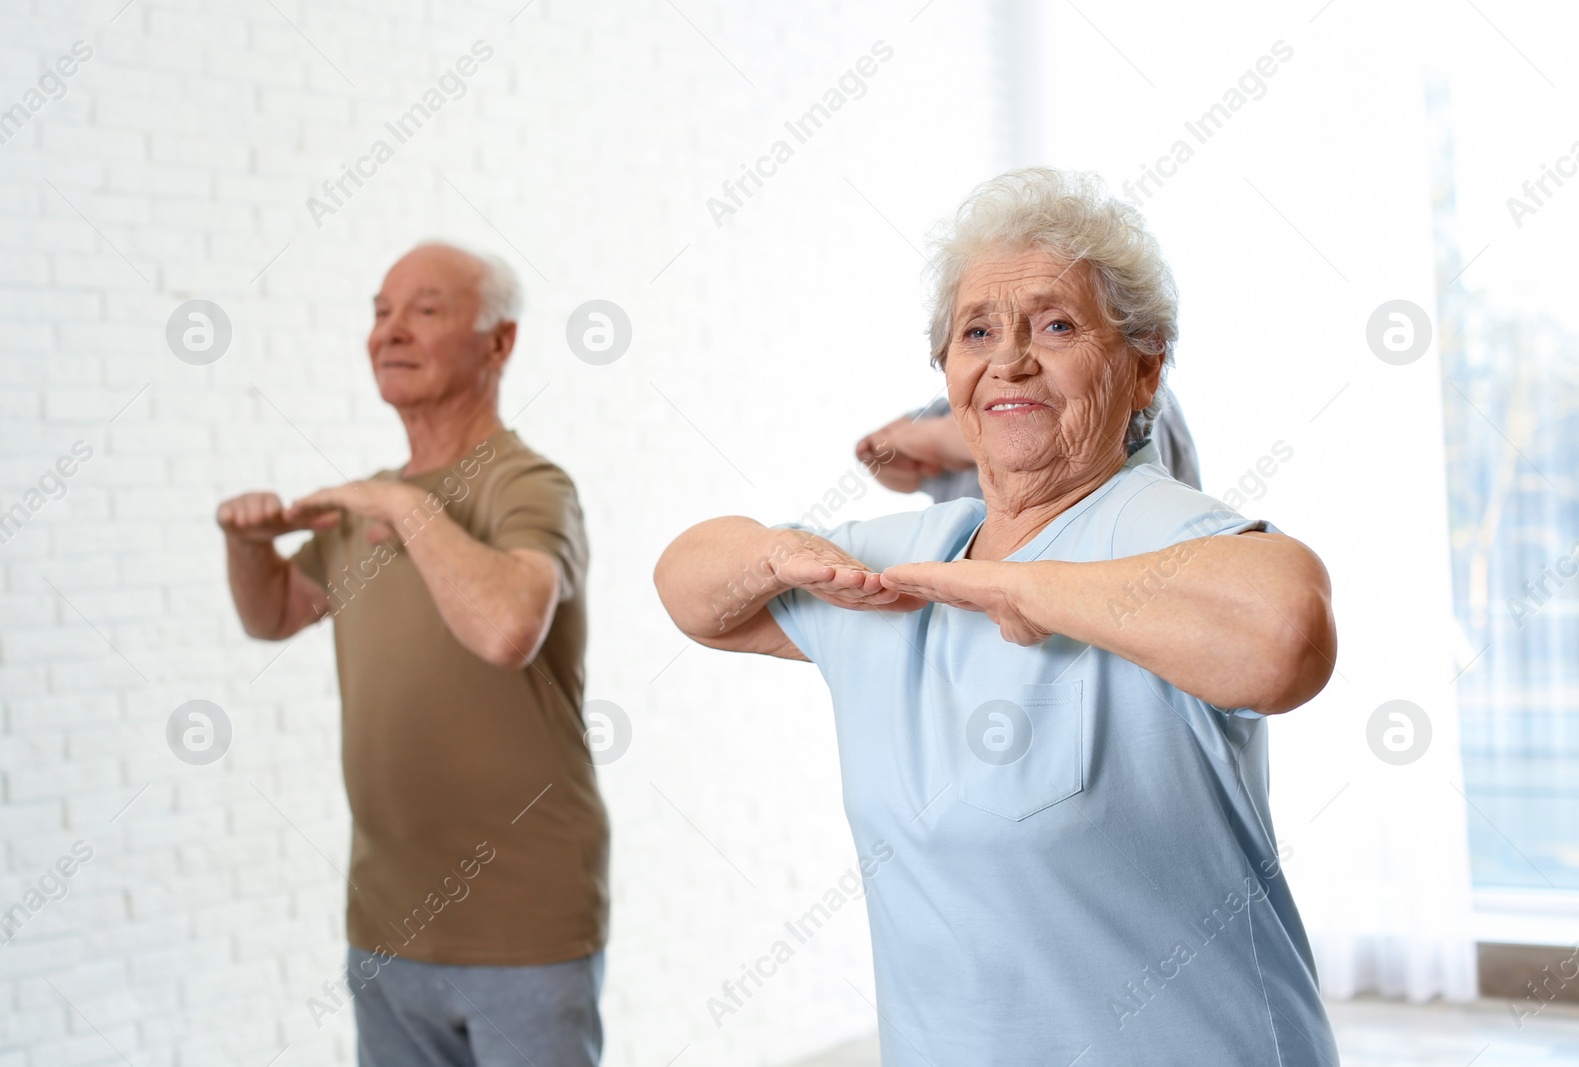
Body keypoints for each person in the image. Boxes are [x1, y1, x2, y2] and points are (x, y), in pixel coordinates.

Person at [655, 168, 1339, 1066]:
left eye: (1056, 326)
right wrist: (776, 551)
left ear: (1144, 367)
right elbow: (689, 588)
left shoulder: (1160, 526)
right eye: (978, 331)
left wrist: (1028, 587)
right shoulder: (913, 555)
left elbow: (1287, 632)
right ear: (948, 371)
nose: (1010, 358)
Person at [216, 242, 607, 1067]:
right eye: (379, 311)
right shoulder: (365, 502)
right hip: (387, 927)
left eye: (424, 311)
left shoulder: (529, 484)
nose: (390, 331)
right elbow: (279, 613)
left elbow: (507, 627)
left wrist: (405, 504)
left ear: (498, 343)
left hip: (519, 928)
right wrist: (248, 546)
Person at [856, 388, 1202, 501]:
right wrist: (895, 452)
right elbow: (888, 455)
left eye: (1058, 326)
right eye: (978, 332)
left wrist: (934, 439)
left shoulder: (1124, 392)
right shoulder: (970, 392)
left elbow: (1062, 445)